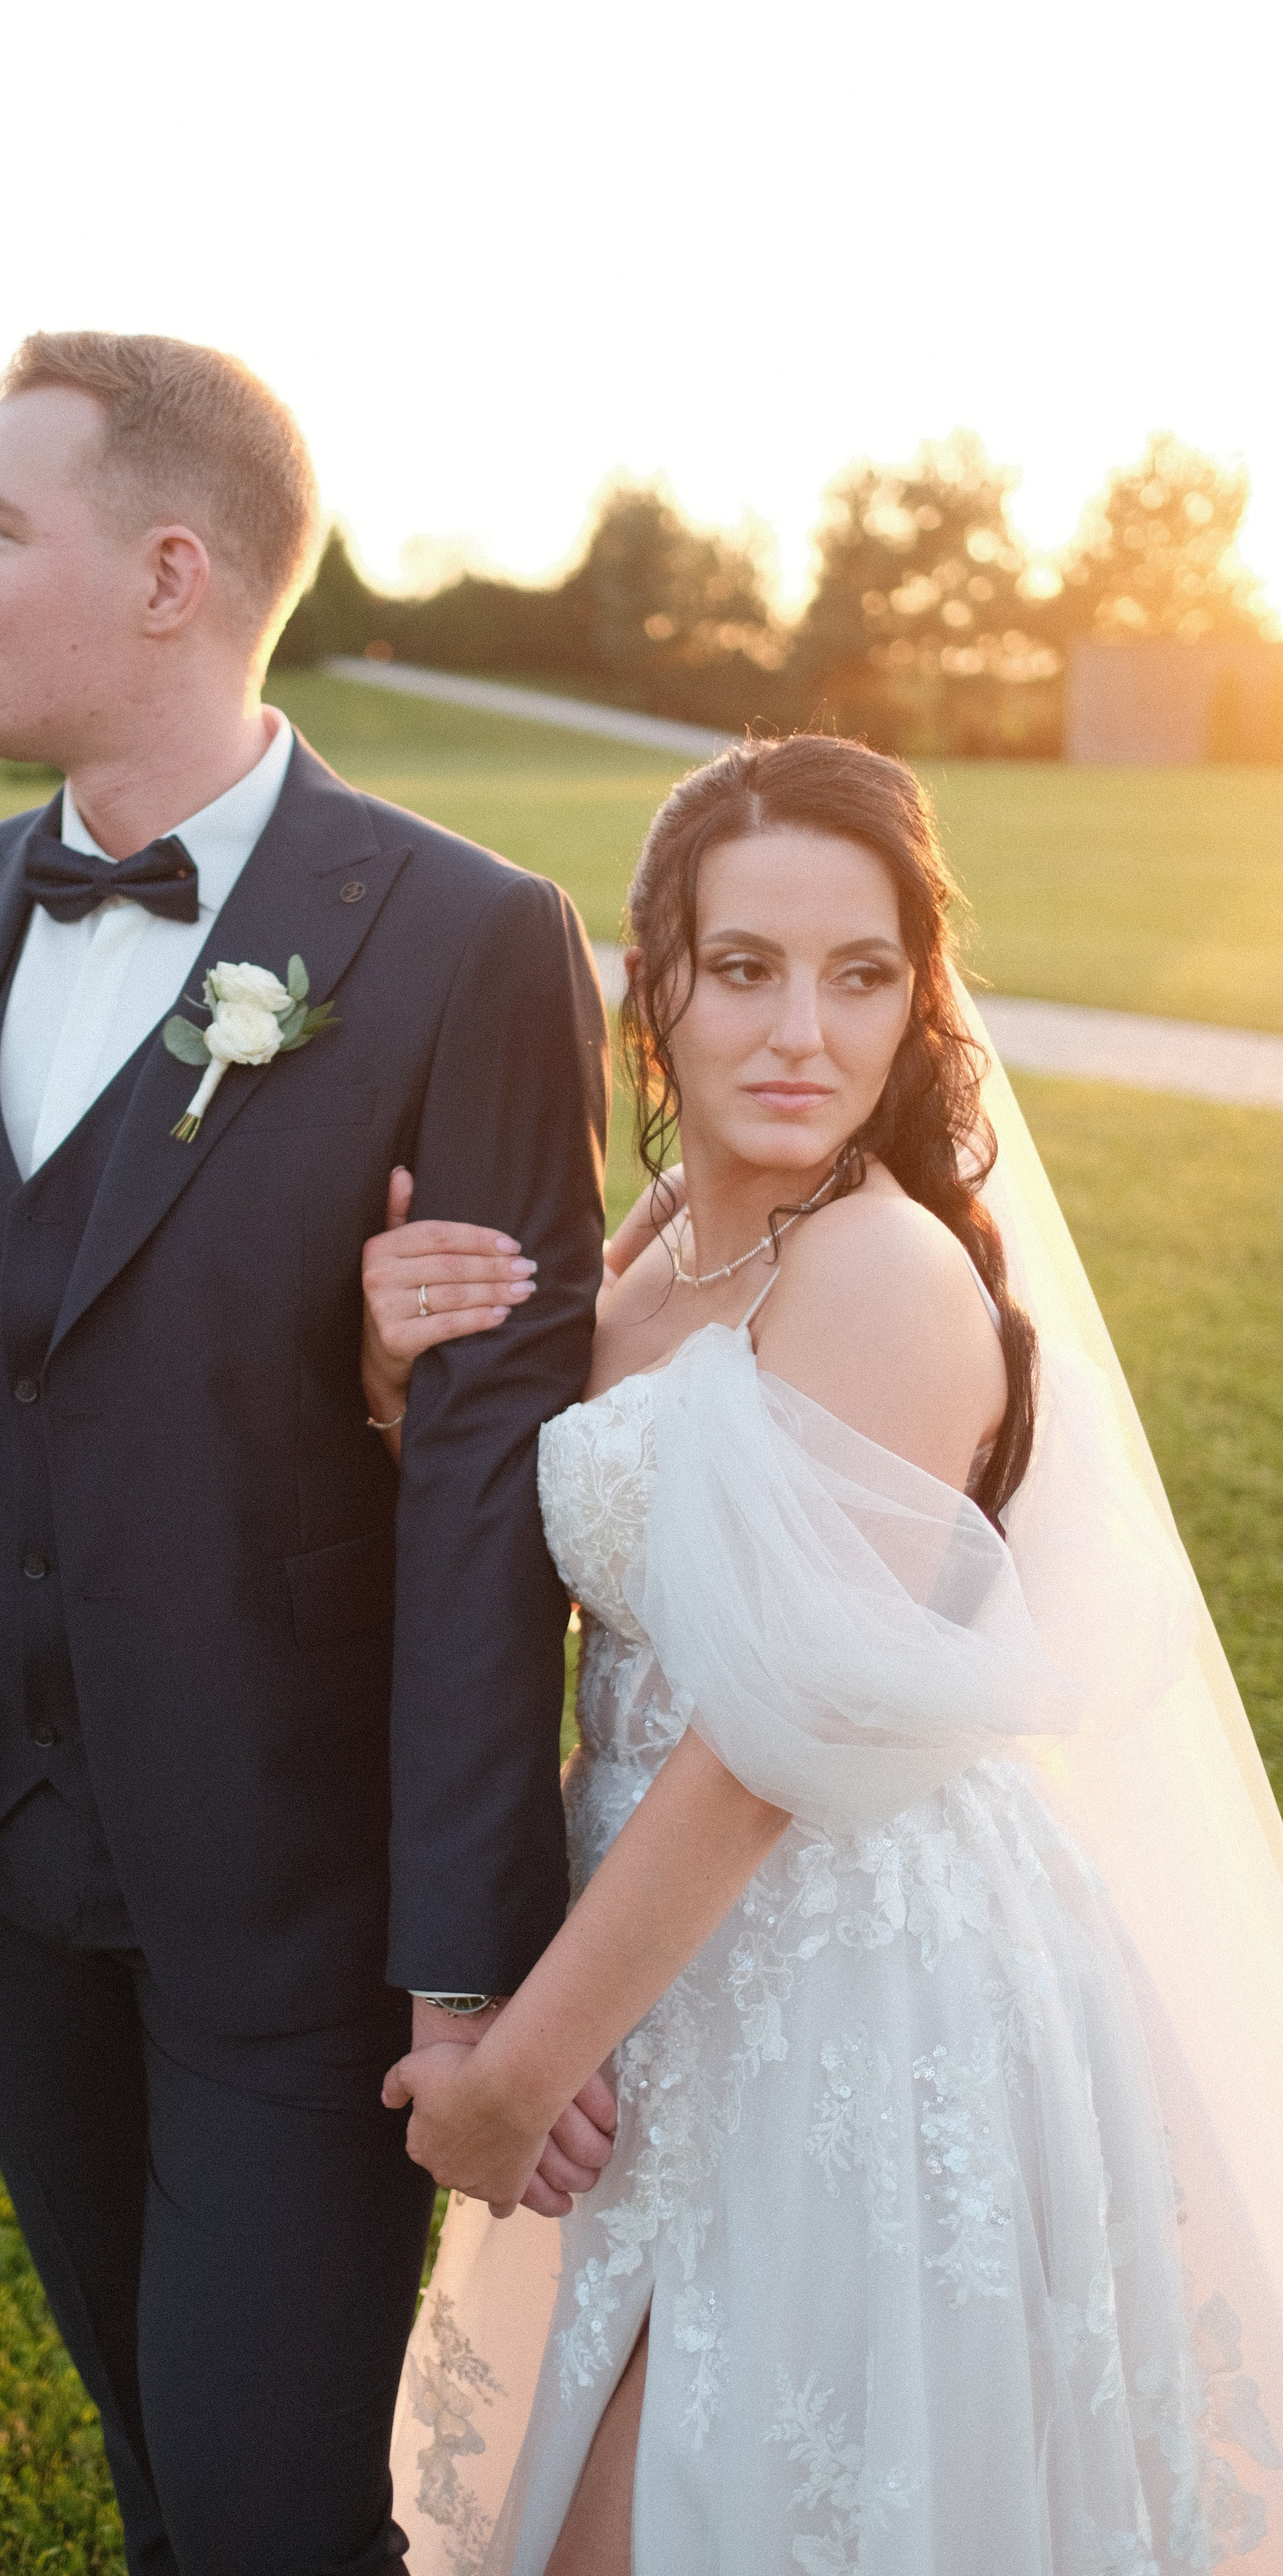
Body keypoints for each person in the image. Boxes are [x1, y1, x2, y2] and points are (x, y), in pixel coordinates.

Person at [0, 330, 617, 2575]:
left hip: (304, 1906)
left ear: (168, 573)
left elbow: (492, 1484)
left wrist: (466, 1962)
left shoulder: (468, 944)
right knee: (165, 2461)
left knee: (261, 2511)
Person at [360, 734, 1283, 2573]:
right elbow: (556, 1523)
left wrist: (517, 2064)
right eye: (747, 968)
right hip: (662, 1959)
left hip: (856, 1988)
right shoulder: (665, 1250)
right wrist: (399, 1376)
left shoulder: (881, 1273)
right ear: (658, 995)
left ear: (918, 1001)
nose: (804, 1032)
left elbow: (769, 1747)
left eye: (863, 975)